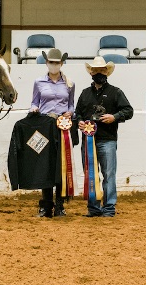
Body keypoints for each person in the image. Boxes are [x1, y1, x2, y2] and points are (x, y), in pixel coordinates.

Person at [75, 56, 133, 218]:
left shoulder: (116, 92)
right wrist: (79, 122)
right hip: (88, 141)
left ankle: (108, 208)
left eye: (102, 70)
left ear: (106, 72)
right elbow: (77, 113)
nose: (99, 73)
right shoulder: (85, 93)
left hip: (107, 139)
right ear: (91, 73)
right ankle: (93, 208)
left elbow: (129, 111)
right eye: (96, 70)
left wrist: (114, 117)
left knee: (108, 175)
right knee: (90, 174)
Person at [29, 48, 75, 218]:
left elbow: (71, 105)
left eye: (56, 62)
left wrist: (71, 113)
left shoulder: (69, 83)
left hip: (62, 125)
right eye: (51, 62)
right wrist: (34, 108)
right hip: (44, 124)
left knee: (62, 165)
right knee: (45, 165)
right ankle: (46, 204)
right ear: (47, 63)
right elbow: (34, 102)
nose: (54, 65)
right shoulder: (38, 82)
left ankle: (60, 205)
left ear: (61, 63)